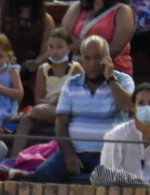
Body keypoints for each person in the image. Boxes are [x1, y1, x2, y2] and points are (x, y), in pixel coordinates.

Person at [32, 35, 134, 183]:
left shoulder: (123, 80)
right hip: (76, 151)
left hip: (107, 153)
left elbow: (128, 107)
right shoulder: (71, 84)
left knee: (107, 181)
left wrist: (110, 79)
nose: (92, 64)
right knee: (43, 175)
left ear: (107, 59)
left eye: (97, 58)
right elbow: (61, 123)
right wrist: (68, 154)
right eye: (87, 58)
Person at [10, 27, 79, 156]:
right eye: (51, 47)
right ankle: (14, 159)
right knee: (27, 120)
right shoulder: (43, 69)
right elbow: (39, 98)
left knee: (35, 111)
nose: (54, 51)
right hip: (47, 108)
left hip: (66, 110)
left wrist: (60, 100)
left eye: (59, 47)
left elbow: (79, 96)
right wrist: (49, 102)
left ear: (69, 47)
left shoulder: (76, 68)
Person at [97, 83, 150, 189]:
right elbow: (109, 180)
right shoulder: (116, 136)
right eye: (141, 104)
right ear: (133, 108)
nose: (147, 108)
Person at [0, 0, 55, 88]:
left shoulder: (45, 20)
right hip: (2, 69)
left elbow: (47, 51)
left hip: (32, 72)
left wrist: (36, 63)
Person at [61, 0, 135, 77]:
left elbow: (116, 47)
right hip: (76, 69)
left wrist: (80, 46)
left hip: (112, 71)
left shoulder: (123, 10)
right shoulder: (77, 7)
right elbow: (63, 36)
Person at [0, 33, 23, 123]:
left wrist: (0, 88)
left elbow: (19, 94)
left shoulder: (11, 70)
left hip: (4, 108)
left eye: (0, 56)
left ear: (8, 55)